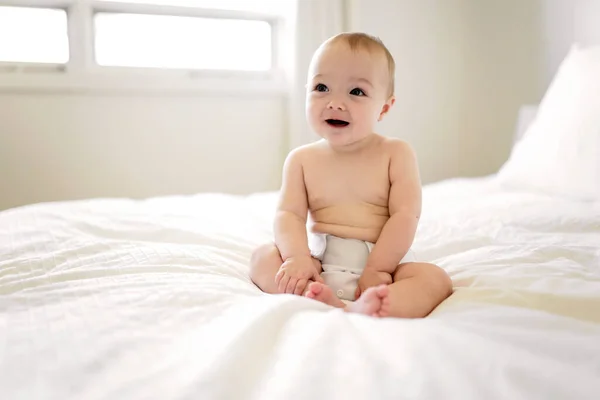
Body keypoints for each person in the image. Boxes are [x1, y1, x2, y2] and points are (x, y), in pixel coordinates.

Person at [250, 32, 453, 318]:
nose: (334, 103)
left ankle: (378, 303)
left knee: (435, 280)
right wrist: (296, 258)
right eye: (322, 87)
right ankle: (313, 295)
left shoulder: (396, 153)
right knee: (262, 258)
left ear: (384, 107)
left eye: (356, 92)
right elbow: (289, 215)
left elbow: (405, 215)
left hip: (383, 264)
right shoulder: (301, 160)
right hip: (319, 264)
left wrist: (378, 269)